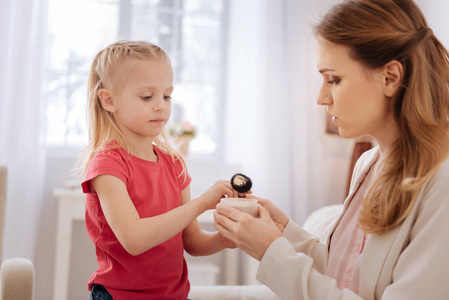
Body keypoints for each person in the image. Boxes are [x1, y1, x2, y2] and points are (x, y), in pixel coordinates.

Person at [214, 0, 449, 299]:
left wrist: (273, 253)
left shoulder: (442, 182)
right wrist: (284, 233)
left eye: (334, 79)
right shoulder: (370, 164)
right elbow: (346, 274)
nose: (321, 97)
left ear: (390, 77)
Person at [79, 40, 234, 299]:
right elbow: (134, 239)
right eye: (147, 96)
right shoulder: (107, 166)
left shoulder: (174, 164)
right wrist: (202, 203)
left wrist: (225, 239)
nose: (161, 105)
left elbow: (191, 240)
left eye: (167, 95)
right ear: (108, 100)